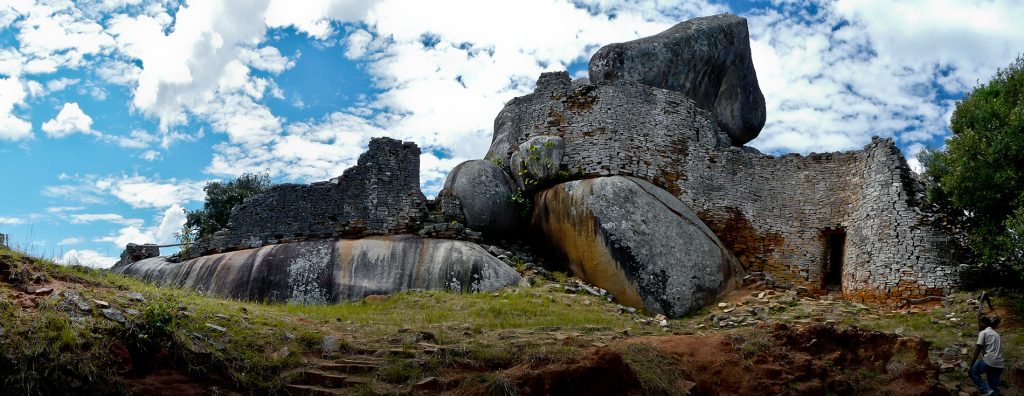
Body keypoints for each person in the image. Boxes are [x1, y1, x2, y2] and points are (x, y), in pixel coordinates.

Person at [967, 315, 1004, 396]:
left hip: (989, 361)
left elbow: (978, 348)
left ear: (985, 323)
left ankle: (985, 389)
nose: (979, 326)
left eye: (979, 323)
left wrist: (971, 365)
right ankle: (991, 392)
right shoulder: (996, 334)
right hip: (1000, 364)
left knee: (973, 371)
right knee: (994, 387)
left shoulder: (983, 332)